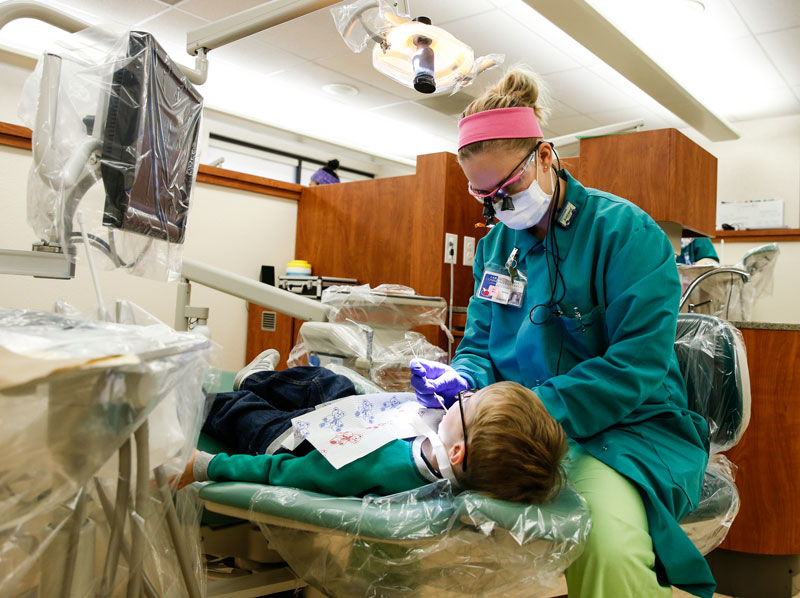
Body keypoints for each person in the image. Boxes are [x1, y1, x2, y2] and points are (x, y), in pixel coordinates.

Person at [409, 68, 713, 598]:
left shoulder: (626, 234)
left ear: (545, 156)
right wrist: (462, 378)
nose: (501, 207)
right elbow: (482, 343)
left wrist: (519, 408)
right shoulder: (495, 248)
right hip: (517, 425)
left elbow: (633, 368)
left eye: (509, 188)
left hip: (626, 429)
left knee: (603, 549)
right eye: (486, 198)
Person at [179, 351, 568, 503]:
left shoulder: (376, 464)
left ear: (457, 452)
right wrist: (442, 405)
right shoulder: (450, 461)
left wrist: (205, 465)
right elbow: (447, 425)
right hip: (341, 423)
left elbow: (284, 473)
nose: (463, 397)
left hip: (294, 445)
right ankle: (254, 380)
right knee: (330, 383)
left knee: (243, 412)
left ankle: (206, 395)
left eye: (468, 402)